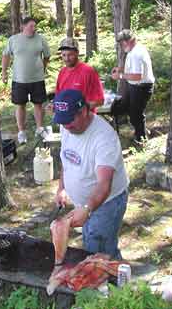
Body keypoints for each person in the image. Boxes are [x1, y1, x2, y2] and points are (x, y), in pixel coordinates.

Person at [53, 89, 129, 259]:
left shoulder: (104, 137)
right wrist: (61, 188)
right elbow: (67, 160)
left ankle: (116, 282)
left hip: (106, 204)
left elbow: (104, 184)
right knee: (92, 245)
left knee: (99, 253)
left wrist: (87, 209)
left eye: (70, 121)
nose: (66, 126)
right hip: (85, 203)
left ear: (84, 111)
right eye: (62, 121)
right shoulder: (67, 126)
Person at [2, 17, 51, 145]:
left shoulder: (40, 39)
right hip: (19, 79)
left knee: (38, 104)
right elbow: (6, 55)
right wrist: (4, 72)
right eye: (31, 26)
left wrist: (43, 67)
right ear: (23, 26)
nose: (34, 29)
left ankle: (40, 128)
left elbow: (47, 56)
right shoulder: (13, 40)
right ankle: (21, 132)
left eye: (35, 26)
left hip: (37, 78)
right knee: (20, 105)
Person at [110, 29, 155, 144]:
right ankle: (141, 132)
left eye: (121, 43)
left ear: (128, 41)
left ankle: (141, 140)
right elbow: (133, 70)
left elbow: (137, 76)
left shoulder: (136, 53)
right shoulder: (133, 50)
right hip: (134, 86)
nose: (121, 45)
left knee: (136, 114)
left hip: (141, 87)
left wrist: (120, 76)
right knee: (124, 107)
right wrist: (121, 69)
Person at [55, 38, 104, 111]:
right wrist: (53, 106)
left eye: (70, 55)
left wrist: (80, 108)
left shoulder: (88, 71)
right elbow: (58, 98)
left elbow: (100, 101)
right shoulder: (62, 72)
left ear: (77, 53)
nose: (66, 59)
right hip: (65, 119)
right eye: (64, 55)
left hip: (85, 119)